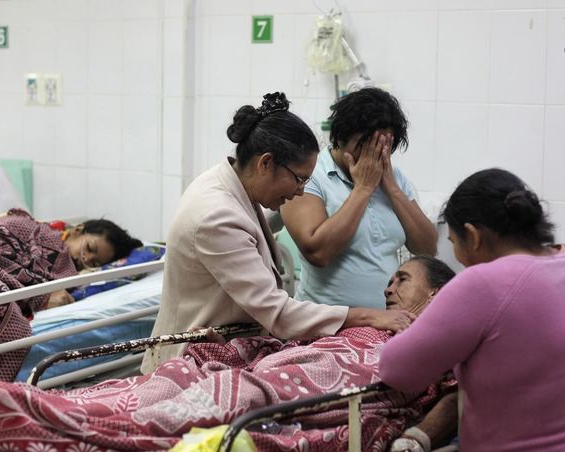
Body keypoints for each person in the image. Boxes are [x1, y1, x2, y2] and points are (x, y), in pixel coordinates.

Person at [0, 256, 457, 452]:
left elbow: (452, 398)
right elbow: (287, 337)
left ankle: (37, 416)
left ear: (436, 295)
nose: (387, 287)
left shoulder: (437, 345)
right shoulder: (367, 321)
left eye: (403, 279)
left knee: (169, 417)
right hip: (268, 371)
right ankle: (61, 411)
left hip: (300, 391)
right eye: (389, 278)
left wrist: (416, 438)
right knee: (147, 388)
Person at [142, 92, 417, 374]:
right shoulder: (216, 215)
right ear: (265, 163)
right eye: (298, 179)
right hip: (190, 361)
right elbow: (279, 312)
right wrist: (367, 316)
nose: (300, 191)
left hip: (227, 348)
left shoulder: (232, 184)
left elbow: (425, 243)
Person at [380, 168, 565, 452]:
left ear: (473, 235)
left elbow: (396, 369)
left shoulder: (481, 284)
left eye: (454, 244)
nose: (458, 259)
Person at [280, 87, 438, 309]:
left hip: (383, 322)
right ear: (341, 138)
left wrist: (391, 187)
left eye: (384, 148)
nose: (373, 156)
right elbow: (318, 252)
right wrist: (363, 189)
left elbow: (427, 248)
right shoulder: (310, 175)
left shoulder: (394, 178)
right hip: (324, 324)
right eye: (365, 146)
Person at [0, 208, 142, 381]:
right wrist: (42, 297)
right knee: (0, 307)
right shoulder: (31, 229)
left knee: (3, 312)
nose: (85, 259)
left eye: (94, 262)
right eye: (89, 248)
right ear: (77, 230)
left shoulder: (70, 279)